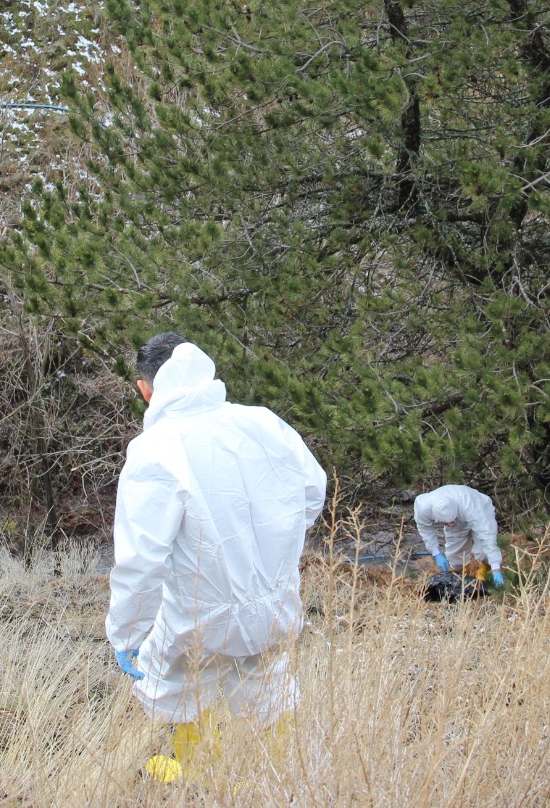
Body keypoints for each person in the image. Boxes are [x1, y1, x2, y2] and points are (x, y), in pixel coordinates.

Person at [107, 332, 327, 781]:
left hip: (197, 617)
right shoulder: (264, 423)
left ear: (144, 388)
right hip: (273, 604)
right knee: (269, 682)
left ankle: (197, 772)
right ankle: (285, 776)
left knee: (180, 687)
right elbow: (311, 493)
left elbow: (141, 560)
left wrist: (128, 633)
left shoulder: (155, 449)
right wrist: (269, 548)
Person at [413, 484, 505, 587]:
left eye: (451, 521)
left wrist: (496, 568)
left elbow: (486, 536)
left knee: (482, 548)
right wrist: (436, 553)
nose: (448, 525)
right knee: (455, 552)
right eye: (446, 523)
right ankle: (460, 576)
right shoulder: (423, 506)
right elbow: (425, 529)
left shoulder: (471, 506)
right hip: (459, 514)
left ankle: (485, 570)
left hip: (480, 508)